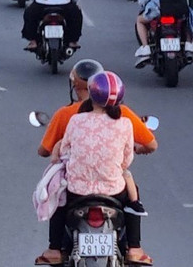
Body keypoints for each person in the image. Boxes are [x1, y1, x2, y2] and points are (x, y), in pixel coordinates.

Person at [34, 61, 156, 265]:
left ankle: (54, 249)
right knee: (132, 190)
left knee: (59, 196)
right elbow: (126, 160)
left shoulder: (75, 119)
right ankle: (135, 248)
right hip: (113, 191)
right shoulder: (125, 122)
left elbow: (64, 151)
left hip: (77, 190)